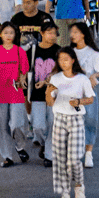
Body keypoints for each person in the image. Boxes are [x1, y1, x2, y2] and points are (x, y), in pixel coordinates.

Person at [46, 47, 94, 198]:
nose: (63, 62)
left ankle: (79, 186)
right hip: (59, 118)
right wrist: (49, 92)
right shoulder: (56, 78)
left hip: (76, 119)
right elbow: (50, 102)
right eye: (60, 60)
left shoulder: (82, 79)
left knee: (73, 159)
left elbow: (90, 99)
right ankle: (65, 194)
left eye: (66, 59)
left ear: (73, 60)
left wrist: (79, 102)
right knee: (60, 158)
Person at [0, 21, 30, 167]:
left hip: (15, 93)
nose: (9, 35)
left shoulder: (19, 51)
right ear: (1, 35)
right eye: (6, 33)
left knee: (17, 124)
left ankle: (20, 146)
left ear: (15, 35)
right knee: (1, 127)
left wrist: (22, 79)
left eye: (11, 33)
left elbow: (24, 70)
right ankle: (7, 156)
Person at [69, 21, 99, 170]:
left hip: (89, 92)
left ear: (83, 34)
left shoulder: (93, 53)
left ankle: (88, 153)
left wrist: (93, 76)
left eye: (75, 32)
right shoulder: (69, 52)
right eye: (72, 32)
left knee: (90, 121)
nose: (72, 35)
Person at [27, 17, 59, 166]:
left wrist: (48, 80)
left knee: (52, 123)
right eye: (49, 32)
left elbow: (63, 71)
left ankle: (49, 155)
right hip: (38, 94)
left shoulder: (59, 51)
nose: (52, 36)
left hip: (54, 95)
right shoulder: (33, 49)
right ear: (41, 33)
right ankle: (44, 144)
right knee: (38, 126)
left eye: (54, 33)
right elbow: (25, 69)